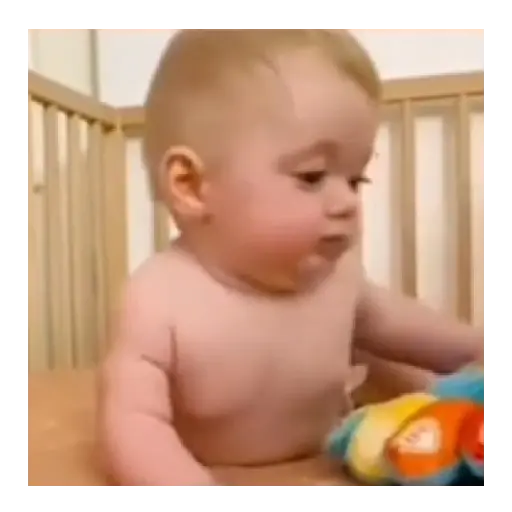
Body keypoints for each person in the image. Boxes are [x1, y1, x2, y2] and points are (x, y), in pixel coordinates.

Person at [98, 28, 484, 487]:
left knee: (401, 373)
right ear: (192, 186)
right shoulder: (158, 300)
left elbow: (432, 337)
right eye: (312, 175)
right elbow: (132, 424)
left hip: (330, 446)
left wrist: (476, 347)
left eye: (356, 179)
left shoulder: (339, 281)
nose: (347, 201)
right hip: (213, 466)